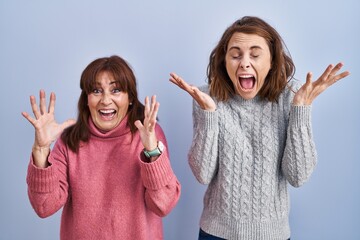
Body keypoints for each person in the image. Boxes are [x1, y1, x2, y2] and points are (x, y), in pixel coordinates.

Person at [169, 16, 350, 240]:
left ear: (272, 61)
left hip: (272, 235)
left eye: (255, 55)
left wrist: (301, 111)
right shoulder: (207, 97)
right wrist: (208, 115)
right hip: (216, 233)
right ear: (225, 62)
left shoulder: (291, 97)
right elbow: (203, 174)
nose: (244, 62)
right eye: (235, 55)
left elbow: (298, 176)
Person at [22, 55, 181, 240]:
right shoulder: (69, 140)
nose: (106, 100)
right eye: (97, 91)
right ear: (87, 99)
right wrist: (41, 150)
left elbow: (163, 205)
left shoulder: (149, 134)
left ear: (130, 98)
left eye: (116, 90)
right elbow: (44, 206)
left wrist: (152, 152)